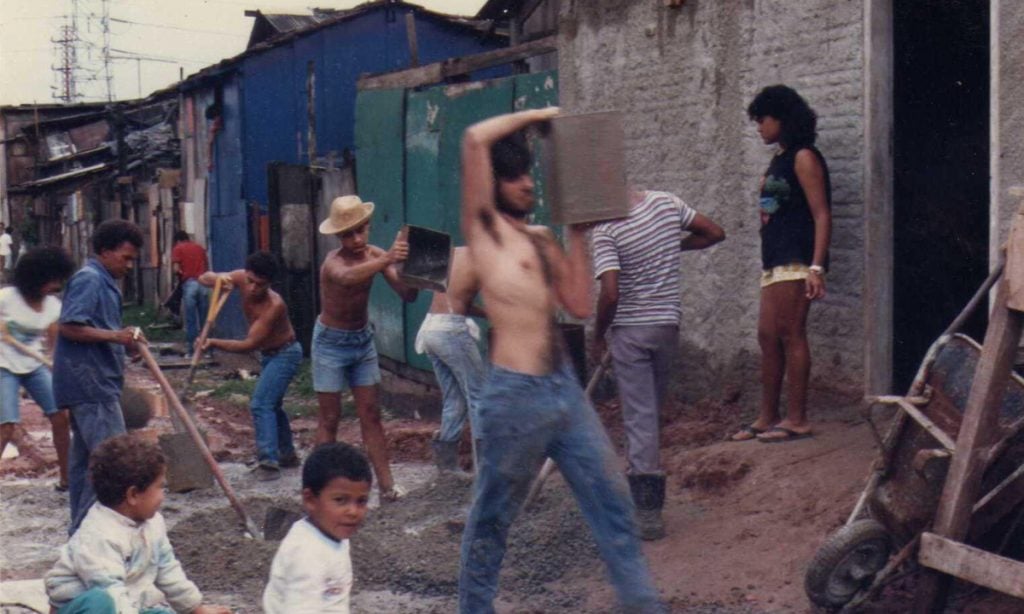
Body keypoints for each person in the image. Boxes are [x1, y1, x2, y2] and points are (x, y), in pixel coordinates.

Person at [457, 108, 663, 613]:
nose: (528, 184)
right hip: (514, 396)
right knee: (492, 520)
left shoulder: (544, 239)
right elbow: (472, 137)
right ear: (496, 186)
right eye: (515, 177)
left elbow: (578, 304)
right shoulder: (485, 235)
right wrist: (539, 115)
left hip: (564, 392)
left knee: (614, 506)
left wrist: (578, 233)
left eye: (530, 174)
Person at [592, 189, 725, 540]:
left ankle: (648, 512)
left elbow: (610, 294)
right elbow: (714, 232)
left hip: (631, 331)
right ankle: (645, 484)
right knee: (649, 411)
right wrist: (674, 247)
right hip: (667, 326)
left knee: (639, 417)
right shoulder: (666, 203)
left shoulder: (606, 230)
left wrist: (597, 334)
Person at [731, 84, 832, 444]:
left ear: (782, 118)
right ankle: (767, 416)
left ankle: (797, 419)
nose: (758, 126)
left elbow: (821, 214)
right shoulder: (781, 157)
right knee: (767, 336)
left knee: (791, 334)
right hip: (775, 259)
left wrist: (816, 267)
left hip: (797, 258)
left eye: (762, 119)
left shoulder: (804, 156)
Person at [44, 433, 231, 614]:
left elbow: (168, 569)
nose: (163, 495)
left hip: (126, 605)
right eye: (160, 487)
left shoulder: (152, 523)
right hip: (86, 608)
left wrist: (195, 608)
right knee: (101, 601)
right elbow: (112, 594)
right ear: (133, 495)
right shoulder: (99, 535)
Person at [313, 195, 418, 500]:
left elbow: (407, 294)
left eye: (361, 230)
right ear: (337, 236)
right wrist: (386, 259)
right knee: (329, 419)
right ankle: (319, 490)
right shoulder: (334, 263)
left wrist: (412, 266)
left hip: (361, 341)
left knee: (371, 414)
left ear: (368, 227)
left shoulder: (374, 255)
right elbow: (347, 278)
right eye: (348, 234)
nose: (356, 239)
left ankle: (387, 487)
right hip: (330, 343)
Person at [53, 219, 146, 535]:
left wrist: (125, 344)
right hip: (90, 383)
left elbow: (99, 330)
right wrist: (115, 336)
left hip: (93, 381)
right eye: (126, 257)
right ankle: (96, 536)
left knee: (88, 464)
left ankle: (80, 534)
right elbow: (69, 326)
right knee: (113, 463)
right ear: (106, 252)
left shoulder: (103, 281)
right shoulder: (90, 280)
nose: (130, 266)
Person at [200, 252, 301, 482]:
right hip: (269, 354)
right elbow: (204, 278)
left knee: (260, 404)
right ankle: (287, 454)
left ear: (270, 283)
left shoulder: (274, 305)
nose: (253, 287)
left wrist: (213, 342)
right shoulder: (240, 278)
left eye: (260, 284)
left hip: (285, 354)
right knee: (273, 405)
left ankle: (268, 462)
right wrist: (216, 279)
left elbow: (249, 344)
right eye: (251, 280)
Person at [263, 442, 372, 614]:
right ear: (310, 500)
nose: (353, 511)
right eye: (340, 500)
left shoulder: (332, 533)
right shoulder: (307, 554)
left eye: (361, 501)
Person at [0, 246, 75, 491]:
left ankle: (66, 479)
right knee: (7, 425)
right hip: (4, 365)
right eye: (52, 280)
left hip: (34, 365)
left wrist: (54, 362)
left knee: (61, 417)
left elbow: (54, 342)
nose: (56, 286)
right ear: (35, 278)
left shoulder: (54, 306)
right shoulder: (7, 298)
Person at [414, 246, 485, 475]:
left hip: (431, 327)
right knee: (480, 397)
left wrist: (488, 313)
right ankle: (486, 468)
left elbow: (458, 298)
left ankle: (447, 468)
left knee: (455, 399)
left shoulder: (454, 250)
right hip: (451, 330)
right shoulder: (488, 256)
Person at [171, 230, 210, 356]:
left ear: (177, 240)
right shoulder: (200, 248)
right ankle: (207, 350)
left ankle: (192, 352)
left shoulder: (178, 248)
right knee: (205, 320)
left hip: (190, 284)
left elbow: (176, 269)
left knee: (191, 320)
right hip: (203, 284)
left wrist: (180, 276)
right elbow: (207, 266)